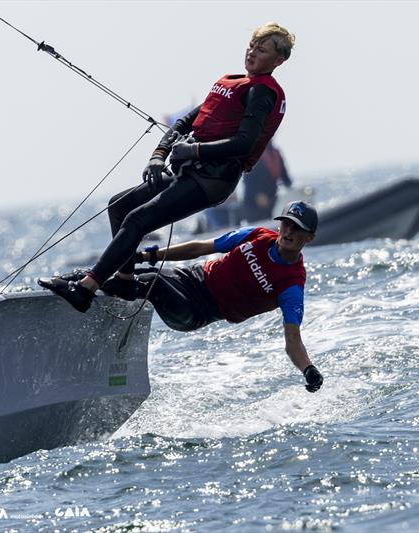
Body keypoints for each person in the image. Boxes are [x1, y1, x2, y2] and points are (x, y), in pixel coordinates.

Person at [39, 22, 296, 312]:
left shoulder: (261, 93)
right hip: (187, 170)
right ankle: (124, 280)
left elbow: (243, 144)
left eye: (261, 50)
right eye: (251, 46)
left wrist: (194, 150)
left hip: (211, 180)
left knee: (138, 220)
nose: (252, 53)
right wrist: (158, 155)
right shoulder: (233, 83)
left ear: (278, 60)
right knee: (119, 205)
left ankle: (86, 288)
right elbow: (186, 122)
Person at [125, 201, 323, 393]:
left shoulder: (291, 286)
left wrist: (308, 369)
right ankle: (97, 291)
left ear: (309, 238)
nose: (289, 231)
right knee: (134, 272)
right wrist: (148, 256)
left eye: (297, 228)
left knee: (149, 281)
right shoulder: (256, 235)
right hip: (191, 278)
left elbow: (293, 341)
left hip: (196, 310)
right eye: (287, 224)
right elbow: (200, 248)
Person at [242, 140, 292, 222]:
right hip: (254, 203)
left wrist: (292, 190)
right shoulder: (253, 152)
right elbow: (247, 179)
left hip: (272, 199)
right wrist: (257, 194)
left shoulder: (276, 152)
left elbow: (285, 177)